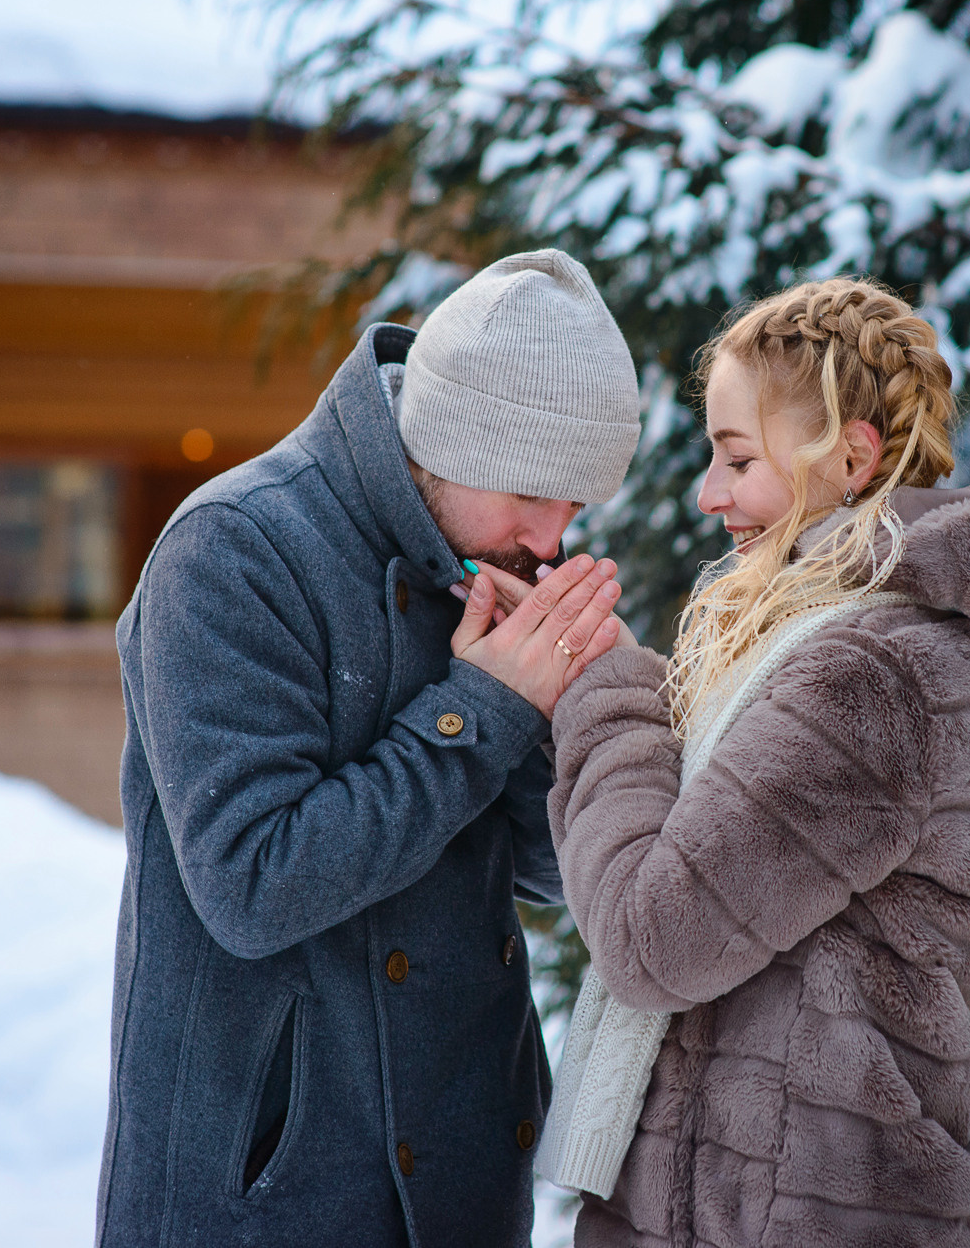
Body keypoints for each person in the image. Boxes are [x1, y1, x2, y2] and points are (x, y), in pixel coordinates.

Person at [500, 277, 970, 1246]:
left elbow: (650, 936)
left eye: (735, 458)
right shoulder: (842, 649)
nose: (707, 494)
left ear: (850, 456)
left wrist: (601, 688)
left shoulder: (872, 675)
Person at [97, 249, 638, 1248]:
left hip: (466, 1183)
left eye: (578, 504)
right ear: (442, 435)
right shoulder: (233, 551)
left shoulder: (483, 555)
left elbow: (546, 869)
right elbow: (255, 885)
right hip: (264, 1195)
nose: (552, 537)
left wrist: (579, 707)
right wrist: (482, 707)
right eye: (533, 491)